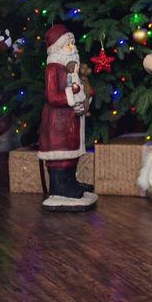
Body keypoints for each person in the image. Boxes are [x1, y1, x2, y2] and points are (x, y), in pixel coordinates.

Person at [39, 24, 97, 211]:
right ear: (56, 49)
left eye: (73, 43)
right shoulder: (53, 69)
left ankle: (70, 182)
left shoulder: (71, 69)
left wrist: (85, 94)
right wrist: (73, 95)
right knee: (60, 155)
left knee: (72, 154)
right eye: (68, 44)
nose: (74, 48)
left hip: (71, 121)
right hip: (58, 123)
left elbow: (79, 89)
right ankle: (59, 186)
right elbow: (52, 96)